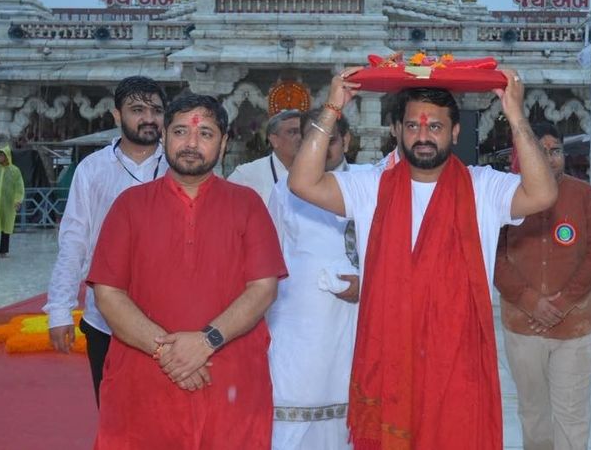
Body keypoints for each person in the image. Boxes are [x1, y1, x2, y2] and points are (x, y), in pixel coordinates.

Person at [288, 69, 558, 449]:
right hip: (390, 364)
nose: (424, 135)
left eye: (435, 126)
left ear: (455, 133)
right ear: (397, 130)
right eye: (413, 125)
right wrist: (332, 107)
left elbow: (544, 194)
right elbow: (302, 183)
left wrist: (515, 115)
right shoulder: (370, 186)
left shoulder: (483, 187)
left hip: (458, 366)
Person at [88, 93, 287, 448]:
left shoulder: (247, 205)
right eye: (181, 132)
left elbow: (263, 288)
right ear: (164, 137)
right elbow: (108, 293)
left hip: (230, 383)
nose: (191, 143)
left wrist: (206, 342)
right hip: (145, 382)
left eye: (206, 134)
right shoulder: (129, 206)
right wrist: (170, 353)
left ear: (223, 144)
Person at [43, 75, 166, 406]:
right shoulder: (92, 169)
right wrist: (59, 310)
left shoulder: (180, 166)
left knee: (168, 419)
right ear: (116, 115)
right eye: (137, 109)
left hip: (170, 319)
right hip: (104, 319)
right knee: (114, 414)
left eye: (156, 110)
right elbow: (74, 241)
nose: (149, 118)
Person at [494, 121, 591, 450]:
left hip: (574, 327)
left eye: (555, 150)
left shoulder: (585, 196)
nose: (549, 158)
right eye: (540, 151)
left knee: (572, 415)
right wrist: (530, 301)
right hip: (522, 326)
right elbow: (494, 257)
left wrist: (564, 302)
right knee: (533, 413)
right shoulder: (506, 196)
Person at [266, 108, 362, 450]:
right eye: (311, 139)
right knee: (294, 423)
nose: (322, 148)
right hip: (299, 329)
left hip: (356, 324)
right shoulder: (284, 192)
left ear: (346, 141)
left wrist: (366, 283)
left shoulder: (371, 184)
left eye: (331, 140)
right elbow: (269, 262)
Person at [228, 109, 303, 206]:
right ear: (274, 140)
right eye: (292, 132)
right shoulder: (245, 176)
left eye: (304, 132)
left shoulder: (319, 173)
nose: (300, 138)